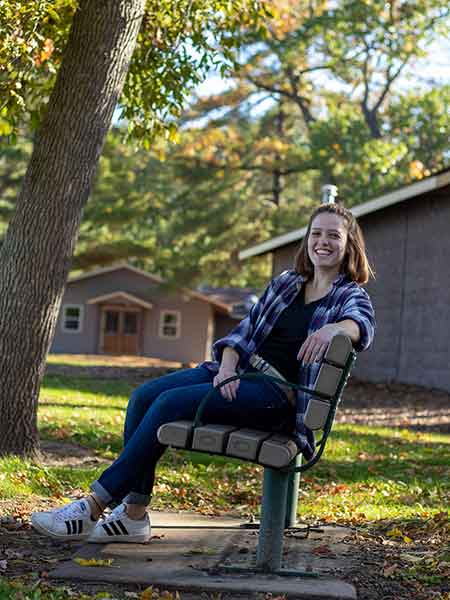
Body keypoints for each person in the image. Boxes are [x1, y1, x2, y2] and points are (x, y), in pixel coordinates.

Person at [31, 202, 375, 543]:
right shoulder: (287, 283)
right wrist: (226, 368)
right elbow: (242, 332)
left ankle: (92, 506)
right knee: (142, 397)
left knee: (168, 404)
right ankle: (134, 515)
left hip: (274, 396)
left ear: (348, 245)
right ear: (307, 240)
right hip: (236, 373)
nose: (323, 242)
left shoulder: (347, 295)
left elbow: (362, 323)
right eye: (317, 233)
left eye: (333, 235)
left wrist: (335, 329)